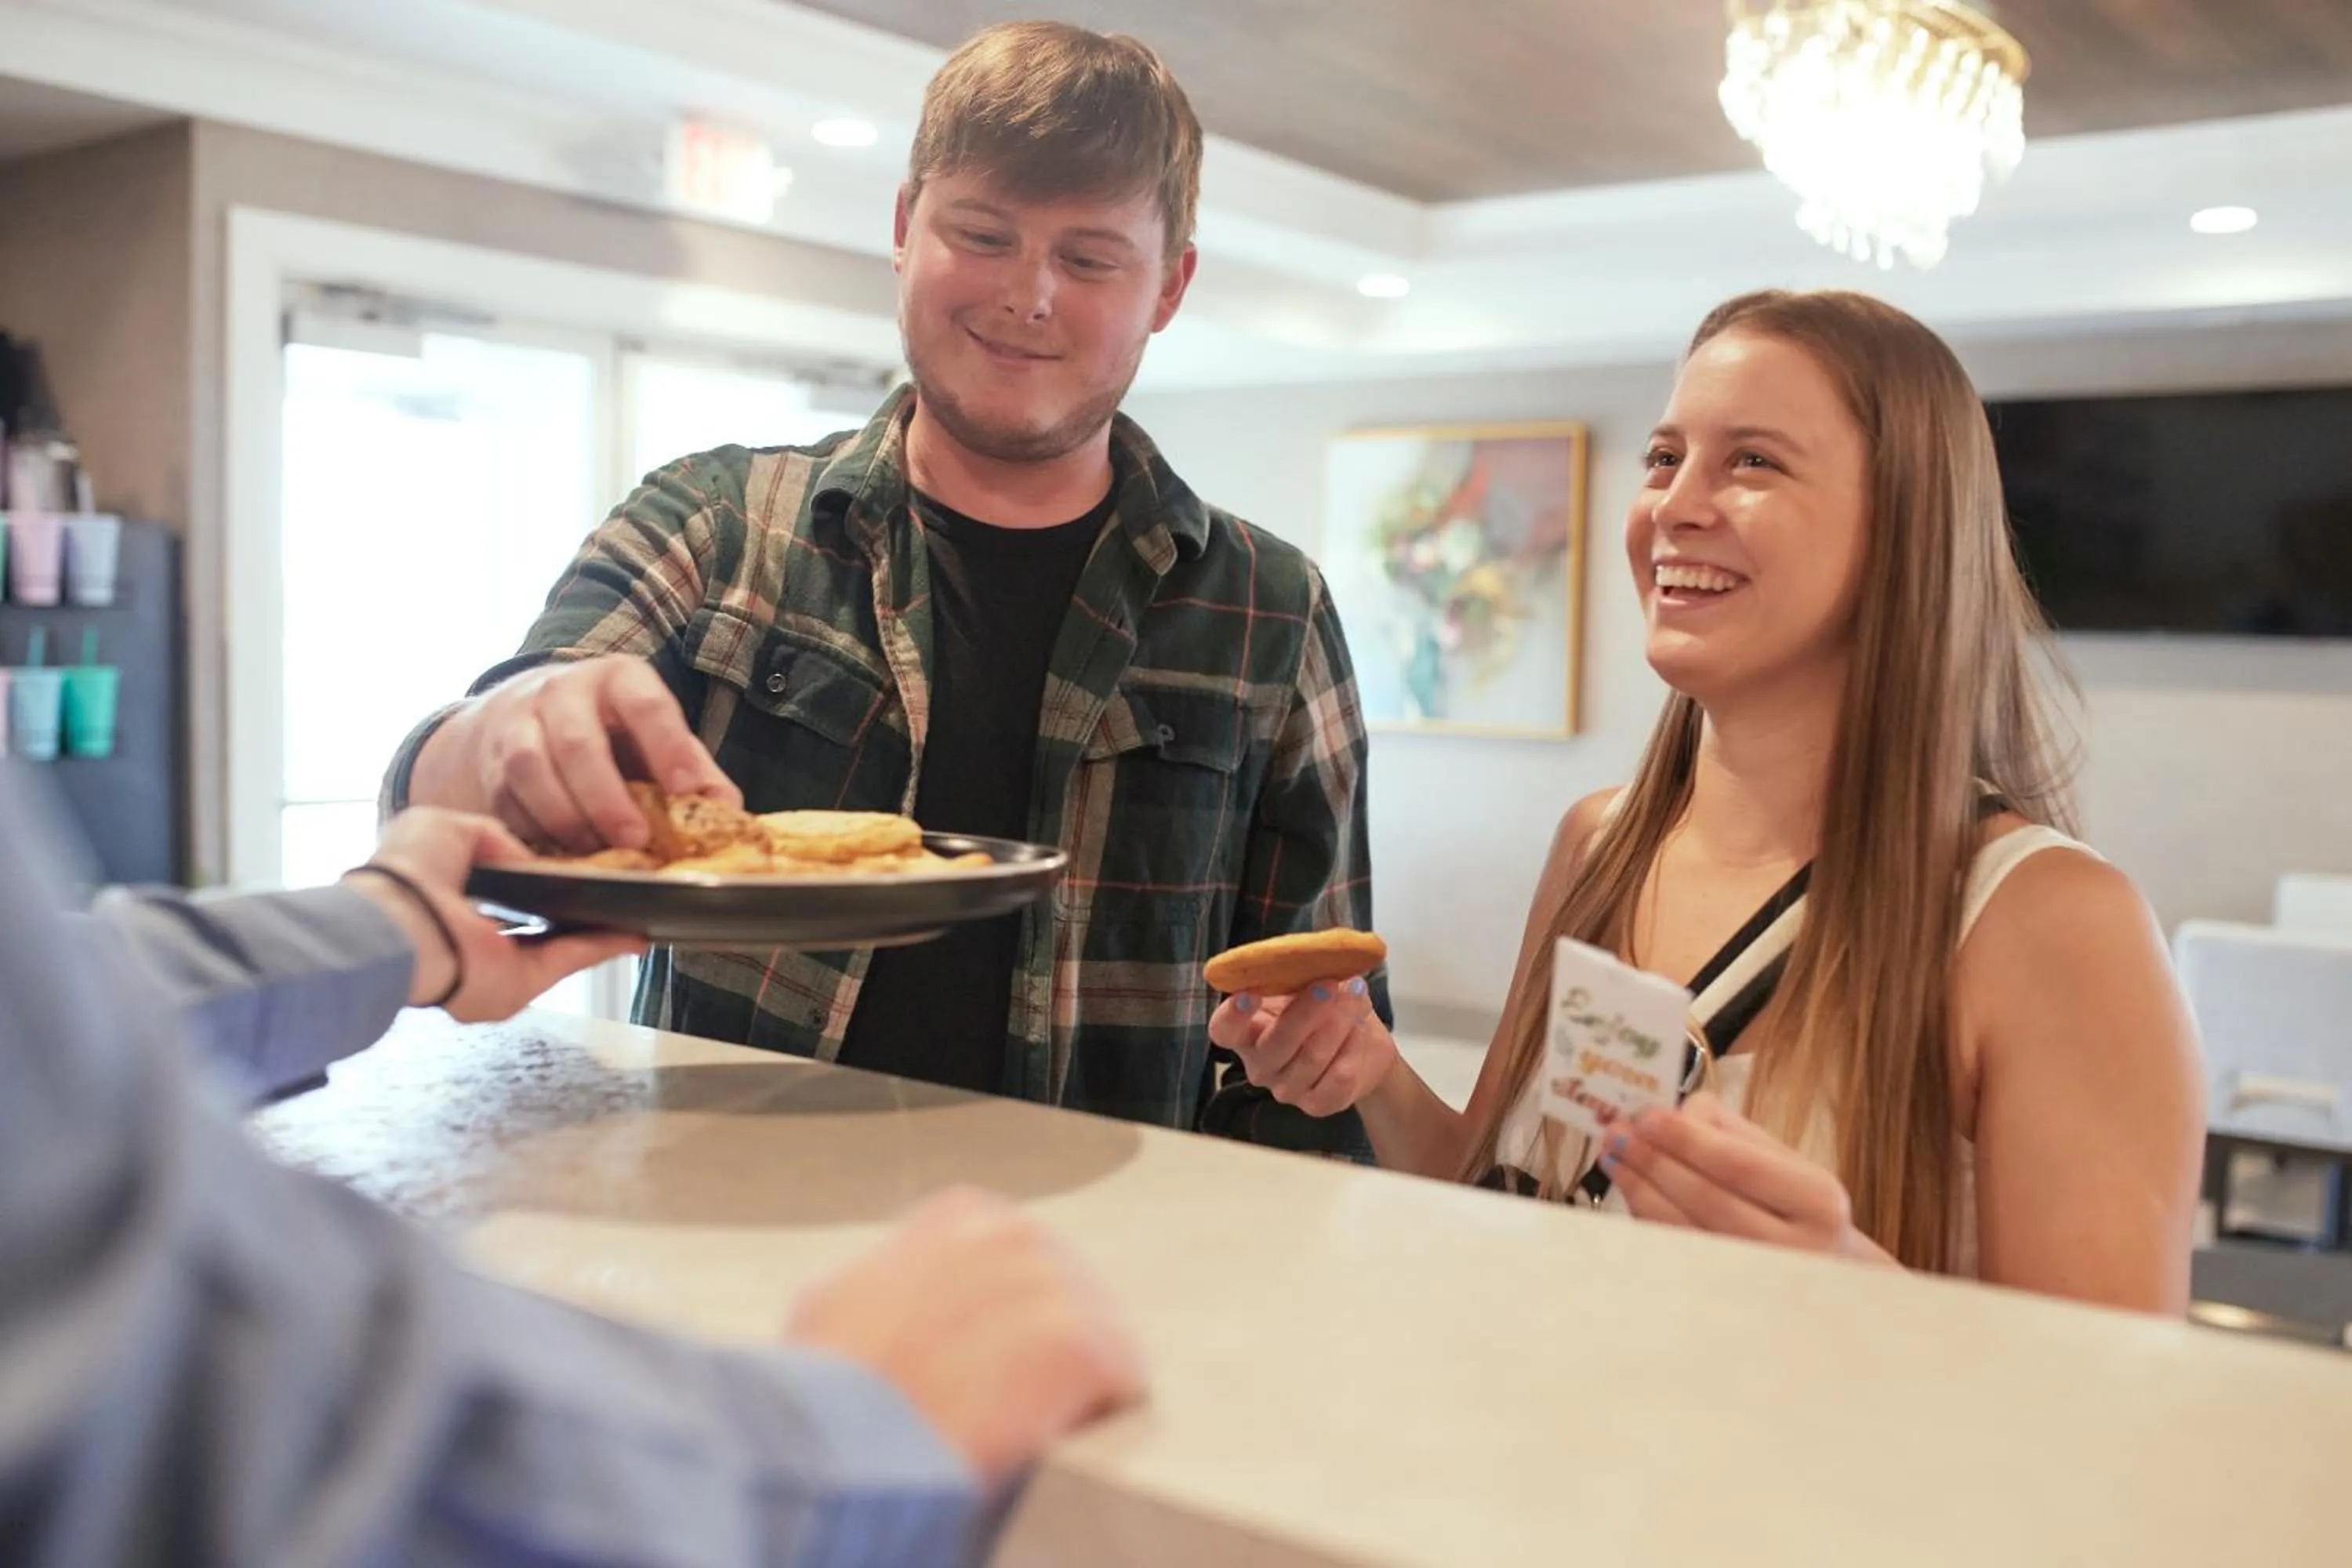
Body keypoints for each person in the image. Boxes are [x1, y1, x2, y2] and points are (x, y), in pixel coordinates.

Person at [384, 20, 1382, 1154]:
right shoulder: (716, 525)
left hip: (1105, 1260)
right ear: (906, 229)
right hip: (727, 1219)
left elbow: (1318, 1013)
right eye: (983, 233)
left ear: (1170, 286)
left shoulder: (1272, 608)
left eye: (1091, 258)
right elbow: (449, 793)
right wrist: (500, 733)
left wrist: (1318, 1060)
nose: (1030, 294)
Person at [1209, 290, 2205, 1310]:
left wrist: (1849, 1283)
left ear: (1906, 524)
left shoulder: (2048, 923)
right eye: (1664, 458)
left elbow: (2110, 1410)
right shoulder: (1600, 843)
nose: (1673, 507)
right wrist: (1371, 1073)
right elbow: (1503, 1196)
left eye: (1754, 462)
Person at [0, 768, 1142, 1564]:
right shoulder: (719, 518)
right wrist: (829, 1447)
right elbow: (155, 1397)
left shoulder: (1260, 598)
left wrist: (393, 923)